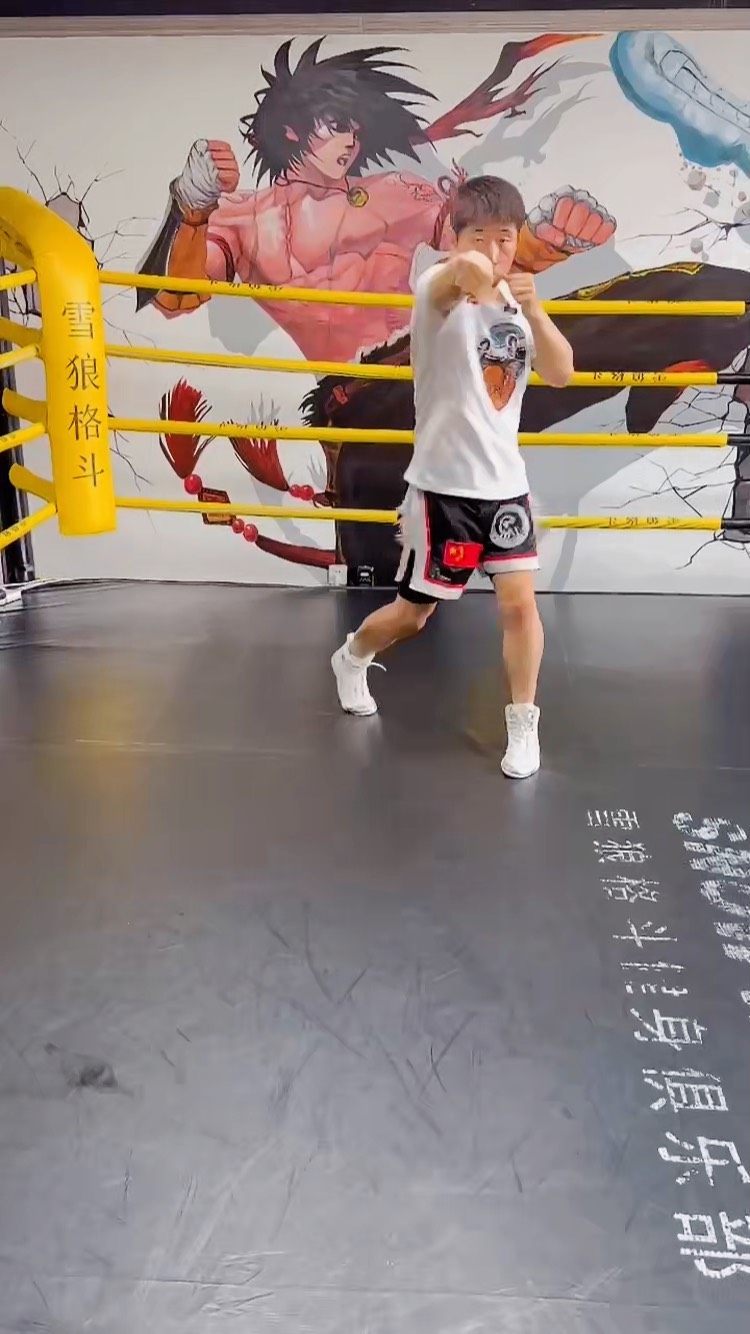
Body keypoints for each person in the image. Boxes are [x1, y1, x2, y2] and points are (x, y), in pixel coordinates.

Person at [331, 175, 574, 778]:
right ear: (455, 236)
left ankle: (523, 723)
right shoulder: (435, 292)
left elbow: (562, 372)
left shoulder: (517, 305)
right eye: (480, 236)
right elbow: (462, 273)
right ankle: (354, 654)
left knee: (520, 606)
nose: (495, 249)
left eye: (506, 238)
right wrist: (479, 266)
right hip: (443, 491)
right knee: (414, 615)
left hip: (506, 487)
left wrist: (535, 309)